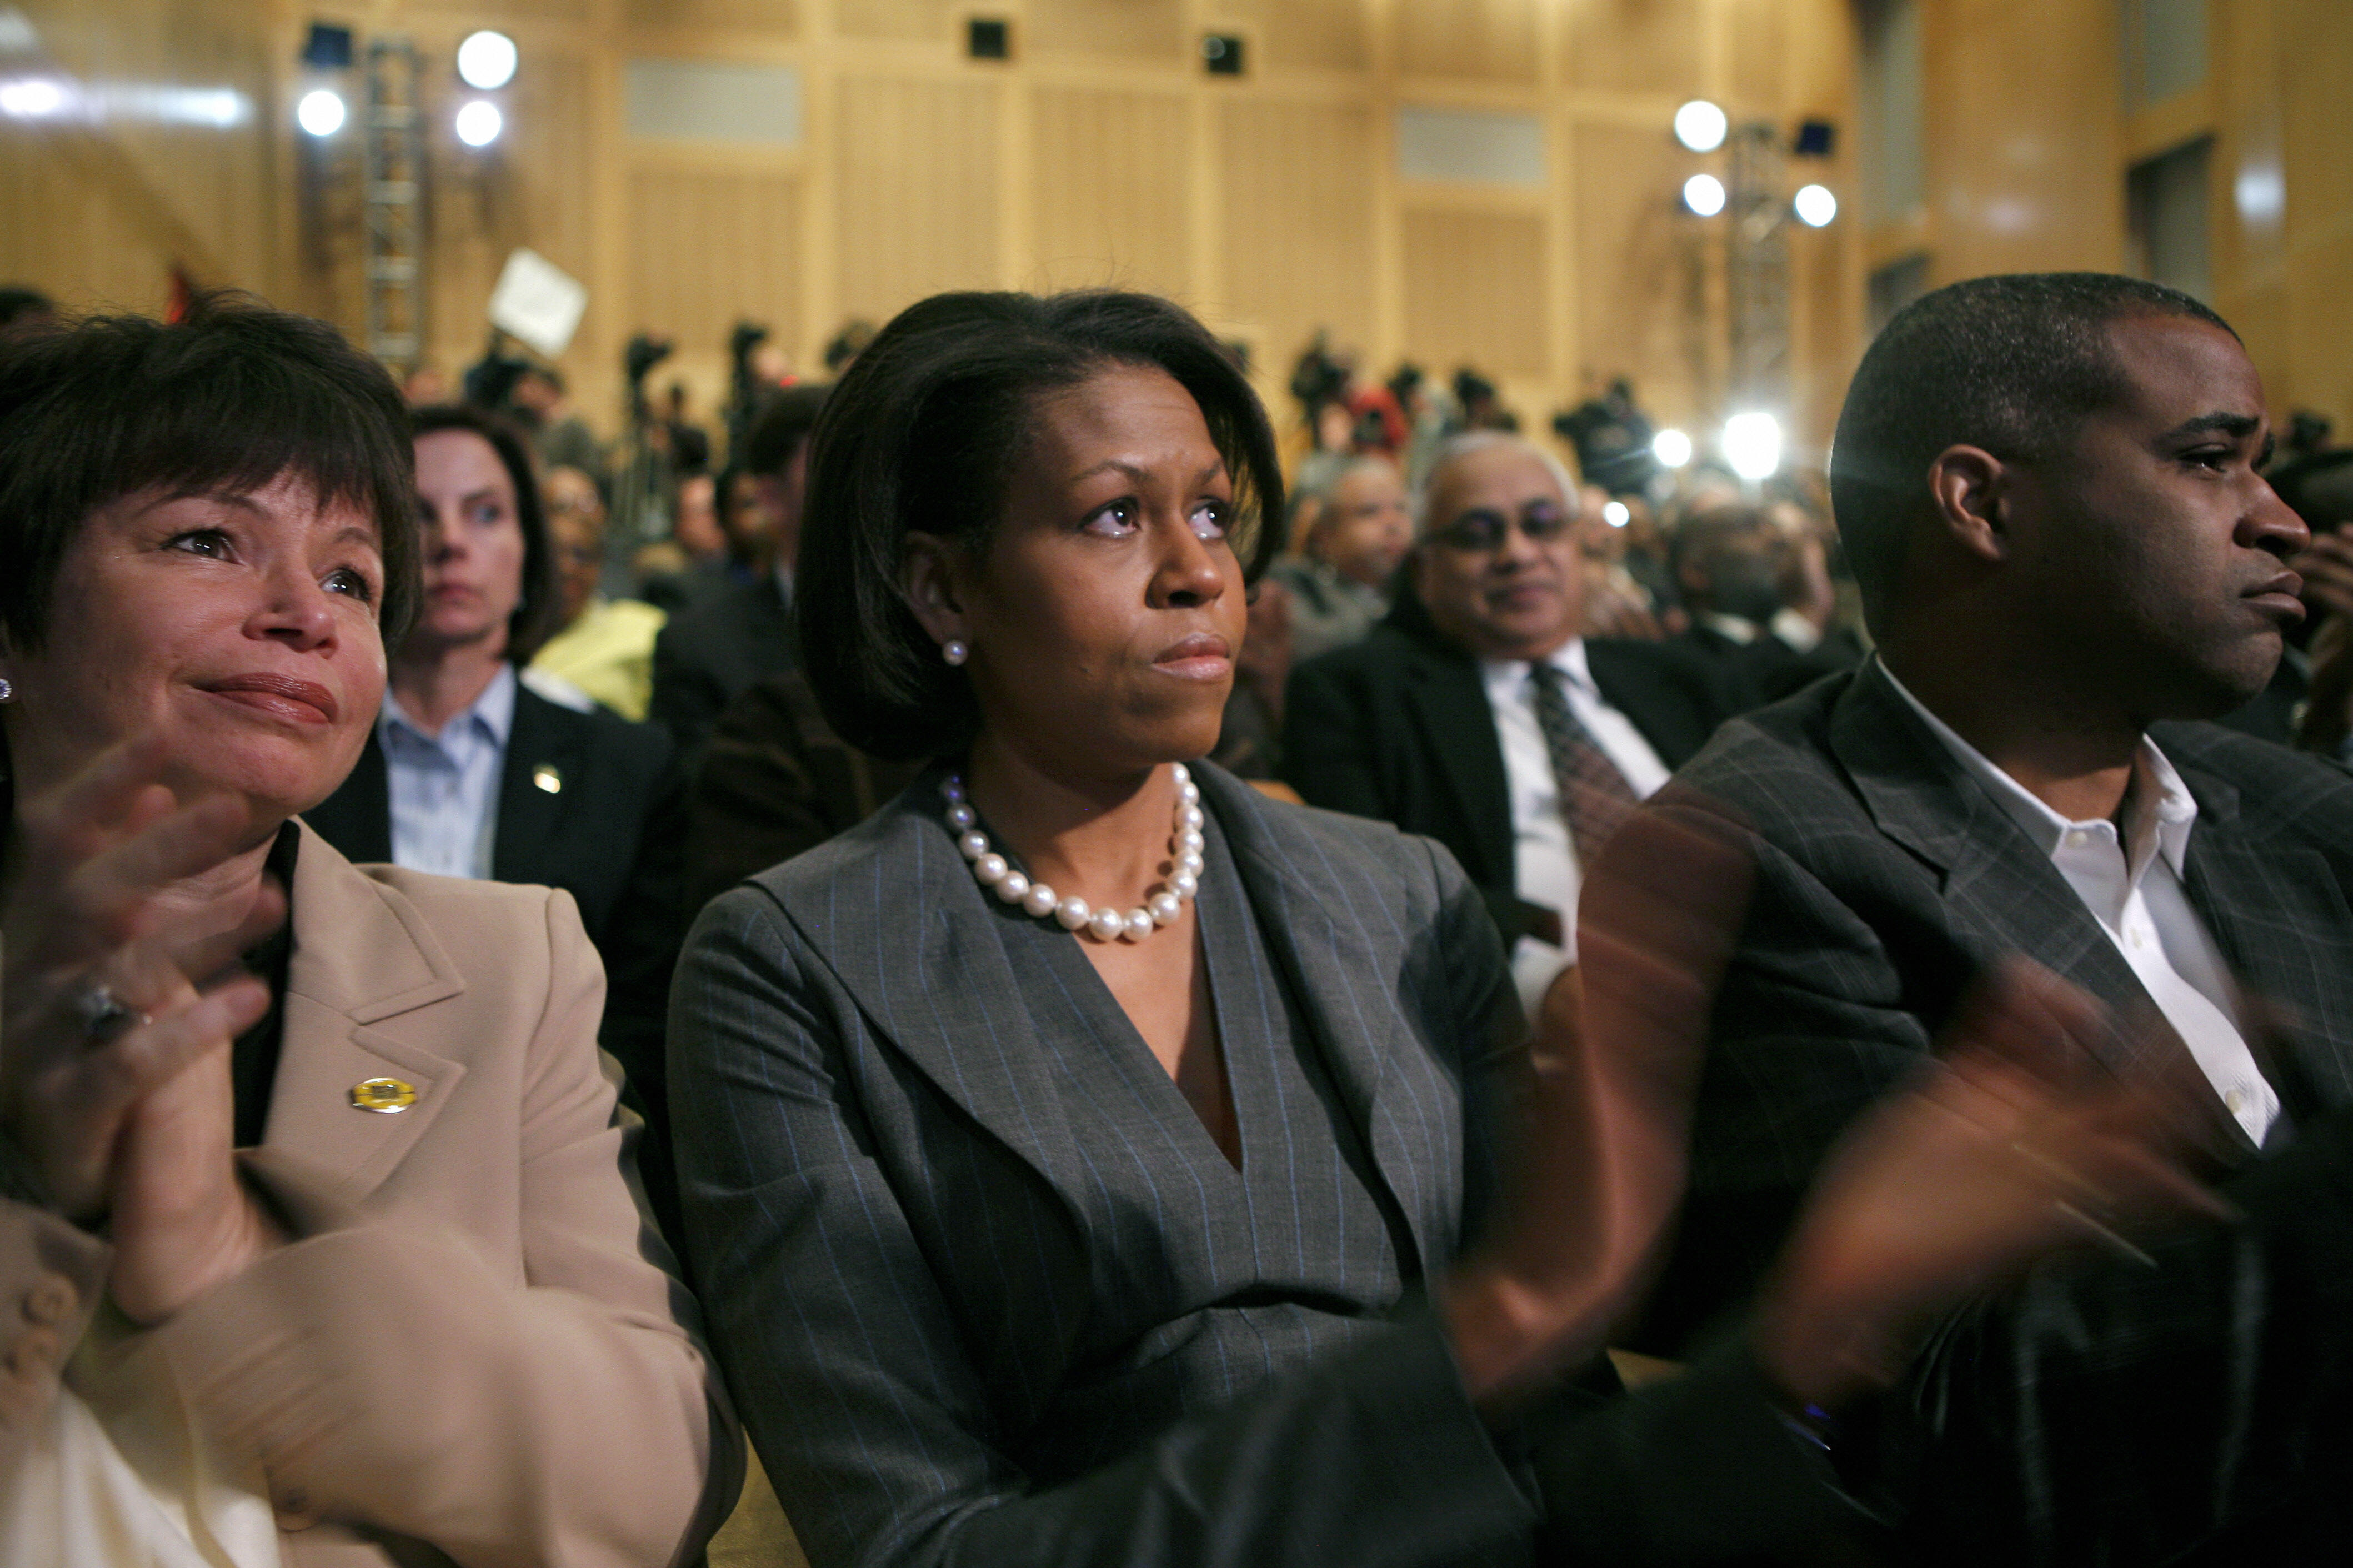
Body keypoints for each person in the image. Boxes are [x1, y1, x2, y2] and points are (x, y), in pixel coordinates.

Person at [663, 288, 2218, 1568]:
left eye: (1211, 506)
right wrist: (1500, 1314)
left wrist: (1815, 1324)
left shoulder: (1391, 892)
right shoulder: (792, 965)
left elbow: (1570, 1449)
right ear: (940, 586)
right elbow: (916, 1546)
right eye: (1111, 516)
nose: (1200, 567)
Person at [0, 296, 737, 1564]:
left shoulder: (510, 964)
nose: (306, 609)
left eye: (350, 573)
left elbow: (667, 1468)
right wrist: (43, 1193)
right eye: (207, 541)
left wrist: (227, 1258)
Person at [1629, 272, 2353, 1545]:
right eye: (2209, 462)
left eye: (2265, 468)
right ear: (1980, 502)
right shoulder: (1764, 850)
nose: (2280, 522)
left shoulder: (2297, 811)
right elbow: (1962, 1415)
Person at [1282, 431, 1733, 1013]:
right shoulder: (1355, 695)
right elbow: (1370, 892)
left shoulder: (1681, 679)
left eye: (1542, 524)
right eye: (1477, 534)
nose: (1518, 553)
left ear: (1579, 545)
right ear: (1426, 565)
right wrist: (1546, 987)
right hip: (1531, 1022)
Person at [304, 405, 674, 951]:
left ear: (529, 551)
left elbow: (640, 1010)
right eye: (418, 515)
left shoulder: (626, 767)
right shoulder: (301, 752)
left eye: (485, 514)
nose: (451, 541)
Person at [649, 385, 827, 755]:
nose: (863, 484)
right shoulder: (699, 649)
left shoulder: (936, 626)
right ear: (772, 497)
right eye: (833, 466)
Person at [530, 463, 668, 721]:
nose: (568, 567)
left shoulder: (641, 628)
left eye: (583, 556)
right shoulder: (496, 633)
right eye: (554, 554)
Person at [1267, 450, 1412, 662]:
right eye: (1369, 511)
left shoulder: (1421, 590)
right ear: (1325, 535)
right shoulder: (1295, 589)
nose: (1392, 523)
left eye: (1401, 508)